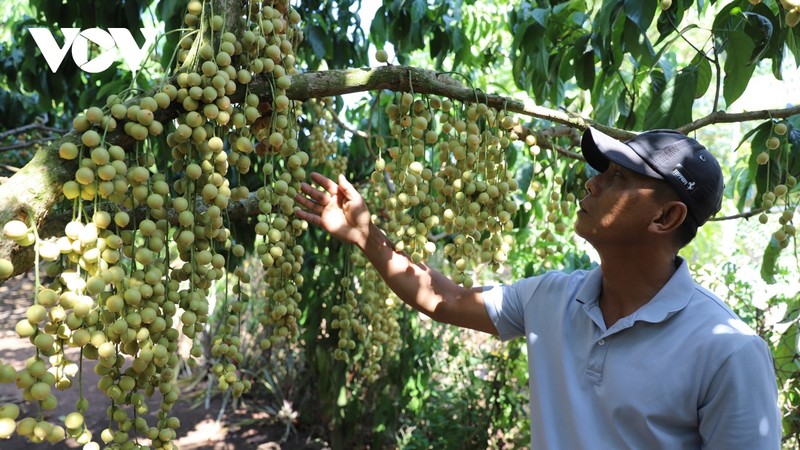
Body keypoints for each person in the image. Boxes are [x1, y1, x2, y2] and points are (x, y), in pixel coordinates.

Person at [294, 126, 782, 449]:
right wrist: (364, 234)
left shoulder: (728, 352)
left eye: (616, 177)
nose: (591, 185)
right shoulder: (553, 297)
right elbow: (444, 299)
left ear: (666, 216)